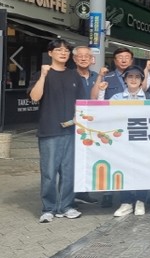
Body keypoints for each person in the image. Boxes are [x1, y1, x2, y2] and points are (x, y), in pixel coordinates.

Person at [29, 39, 87, 223]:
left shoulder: (74, 75)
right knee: (49, 172)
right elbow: (34, 97)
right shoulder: (42, 74)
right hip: (49, 130)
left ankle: (66, 206)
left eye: (66, 50)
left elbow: (82, 102)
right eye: (59, 50)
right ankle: (48, 208)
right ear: (50, 53)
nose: (63, 53)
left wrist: (79, 117)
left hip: (71, 131)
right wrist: (43, 75)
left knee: (68, 172)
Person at [90, 46, 135, 208]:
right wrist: (100, 77)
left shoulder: (136, 76)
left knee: (128, 160)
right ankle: (107, 193)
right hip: (111, 126)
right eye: (120, 57)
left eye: (126, 57)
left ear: (131, 60)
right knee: (109, 159)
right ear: (114, 61)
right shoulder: (107, 77)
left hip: (132, 126)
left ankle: (128, 192)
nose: (123, 60)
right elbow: (94, 98)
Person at [109, 66, 150, 217]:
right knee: (123, 169)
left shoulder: (149, 98)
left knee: (142, 170)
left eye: (137, 77)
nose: (133, 80)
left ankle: (141, 200)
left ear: (142, 81)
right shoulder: (116, 98)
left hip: (143, 140)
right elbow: (105, 114)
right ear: (125, 79)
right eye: (130, 77)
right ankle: (126, 202)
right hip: (122, 141)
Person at [71, 45, 100, 205]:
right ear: (74, 59)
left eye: (87, 56)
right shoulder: (69, 76)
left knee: (87, 159)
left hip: (93, 125)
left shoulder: (98, 77)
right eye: (80, 56)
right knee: (71, 160)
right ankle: (68, 195)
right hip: (73, 124)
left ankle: (83, 192)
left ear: (92, 59)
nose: (83, 58)